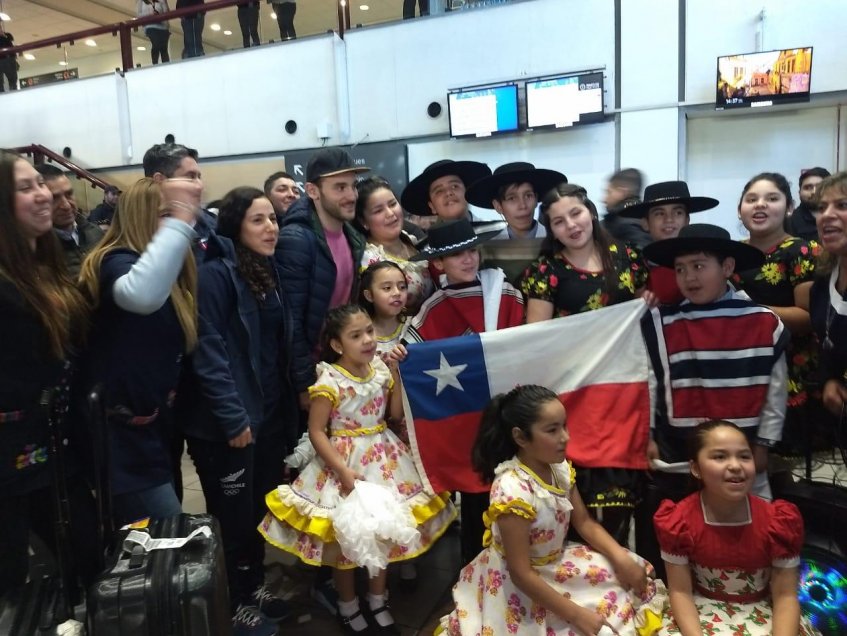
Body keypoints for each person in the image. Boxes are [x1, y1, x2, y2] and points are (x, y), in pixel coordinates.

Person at [259, 305, 456, 634]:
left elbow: (392, 414)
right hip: (344, 463)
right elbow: (318, 431)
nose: (367, 340)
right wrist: (342, 471)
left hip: (385, 459)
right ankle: (348, 606)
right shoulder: (330, 380)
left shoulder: (378, 370)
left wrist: (395, 375)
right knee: (346, 543)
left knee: (382, 534)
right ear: (337, 345)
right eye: (356, 335)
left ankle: (379, 600)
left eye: (369, 332)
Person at [440, 384, 665, 635]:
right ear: (521, 437)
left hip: (558, 562)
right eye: (552, 430)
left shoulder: (559, 469)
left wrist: (620, 557)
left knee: (629, 584)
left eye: (564, 426)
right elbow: (521, 573)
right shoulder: (512, 490)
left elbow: (584, 522)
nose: (565, 437)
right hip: (522, 582)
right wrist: (578, 615)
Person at [639, 224, 787, 579]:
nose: (689, 277)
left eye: (699, 265)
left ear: (727, 266)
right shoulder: (661, 321)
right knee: (684, 536)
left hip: (745, 450)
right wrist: (649, 433)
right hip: (681, 453)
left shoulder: (764, 322)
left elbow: (776, 389)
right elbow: (650, 381)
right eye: (680, 268)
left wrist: (765, 442)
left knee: (753, 533)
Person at [181, 187, 295, 636]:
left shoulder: (265, 270)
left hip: (264, 413)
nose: (271, 228)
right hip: (226, 421)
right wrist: (233, 418)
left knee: (256, 511)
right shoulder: (214, 275)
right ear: (234, 227)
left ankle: (251, 585)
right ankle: (230, 602)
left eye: (273, 218)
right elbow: (208, 352)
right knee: (230, 519)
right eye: (258, 220)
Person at [521, 183, 648, 545]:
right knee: (578, 492)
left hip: (623, 389)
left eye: (575, 213)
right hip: (573, 391)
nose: (571, 225)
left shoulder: (627, 258)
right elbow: (537, 336)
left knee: (621, 494)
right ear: (551, 230)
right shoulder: (545, 271)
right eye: (558, 222)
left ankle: (618, 565)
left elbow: (644, 313)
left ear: (591, 211)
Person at [0, 150, 100, 602]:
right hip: (11, 455)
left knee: (88, 560)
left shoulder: (46, 263)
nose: (43, 196)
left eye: (40, 184)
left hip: (57, 446)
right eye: (26, 188)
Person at [78, 177, 198, 525]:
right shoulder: (115, 262)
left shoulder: (169, 274)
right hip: (120, 441)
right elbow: (140, 295)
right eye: (165, 215)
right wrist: (180, 222)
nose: (176, 224)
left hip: (152, 432)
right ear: (140, 218)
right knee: (165, 535)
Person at [405, 218, 525, 565]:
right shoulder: (434, 307)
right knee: (475, 501)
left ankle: (516, 571)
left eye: (472, 250)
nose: (468, 259)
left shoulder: (504, 293)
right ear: (439, 263)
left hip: (508, 414)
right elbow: (413, 353)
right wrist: (400, 356)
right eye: (458, 255)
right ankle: (475, 576)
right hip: (465, 423)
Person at [654, 420, 819, 635]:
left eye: (744, 456)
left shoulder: (779, 522)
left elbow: (785, 596)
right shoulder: (678, 521)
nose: (735, 466)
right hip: (698, 611)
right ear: (695, 468)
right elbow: (680, 592)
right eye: (720, 457)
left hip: (765, 612)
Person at [275, 147, 369, 414]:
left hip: (337, 365)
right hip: (312, 374)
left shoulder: (353, 238)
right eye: (340, 187)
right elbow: (290, 320)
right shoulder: (296, 240)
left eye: (353, 186)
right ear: (313, 191)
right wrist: (305, 383)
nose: (351, 195)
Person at [733, 172, 821, 453]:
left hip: (789, 374)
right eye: (751, 199)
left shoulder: (803, 250)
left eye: (772, 198)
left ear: (789, 207)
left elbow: (808, 318)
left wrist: (752, 313)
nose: (760, 205)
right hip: (741, 374)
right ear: (739, 209)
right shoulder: (731, 253)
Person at [616, 180, 718, 305]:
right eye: (659, 214)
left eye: (678, 212)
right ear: (645, 223)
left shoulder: (707, 260)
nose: (669, 219)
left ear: (687, 220)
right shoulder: (635, 265)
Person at [356, 176, 433, 314]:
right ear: (363, 222)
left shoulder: (414, 241)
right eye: (378, 210)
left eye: (392, 204)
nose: (390, 213)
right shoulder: (367, 260)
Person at [809, 171, 847, 418]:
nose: (827, 215)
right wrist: (830, 379)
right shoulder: (824, 279)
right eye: (821, 208)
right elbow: (826, 341)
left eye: (842, 205)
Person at [35, 164, 104, 279]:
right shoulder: (38, 250)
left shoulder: (95, 232)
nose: (66, 205)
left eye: (69, 194)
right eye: (55, 198)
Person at [465, 161, 566, 240]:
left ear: (536, 199)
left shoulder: (558, 240)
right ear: (498, 206)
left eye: (528, 196)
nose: (522, 205)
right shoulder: (488, 248)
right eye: (512, 198)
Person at [401, 159, 491, 223]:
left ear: (467, 194)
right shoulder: (428, 248)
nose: (448, 193)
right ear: (432, 206)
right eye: (439, 191)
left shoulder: (498, 237)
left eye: (454, 186)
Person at [601, 168, 651, 249]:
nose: (604, 199)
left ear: (622, 192)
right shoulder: (644, 219)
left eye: (608, 192)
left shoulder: (623, 224)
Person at [789, 167, 831, 242]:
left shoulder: (842, 216)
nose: (814, 192)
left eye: (820, 187)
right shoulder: (790, 223)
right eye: (808, 187)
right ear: (799, 193)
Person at [136, 0, 171, 64]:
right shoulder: (141, 1)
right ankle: (155, 63)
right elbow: (139, 15)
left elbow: (167, 13)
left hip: (163, 26)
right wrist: (150, 14)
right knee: (156, 44)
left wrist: (163, 3)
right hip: (150, 26)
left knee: (164, 48)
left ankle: (166, 65)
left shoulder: (161, 1)